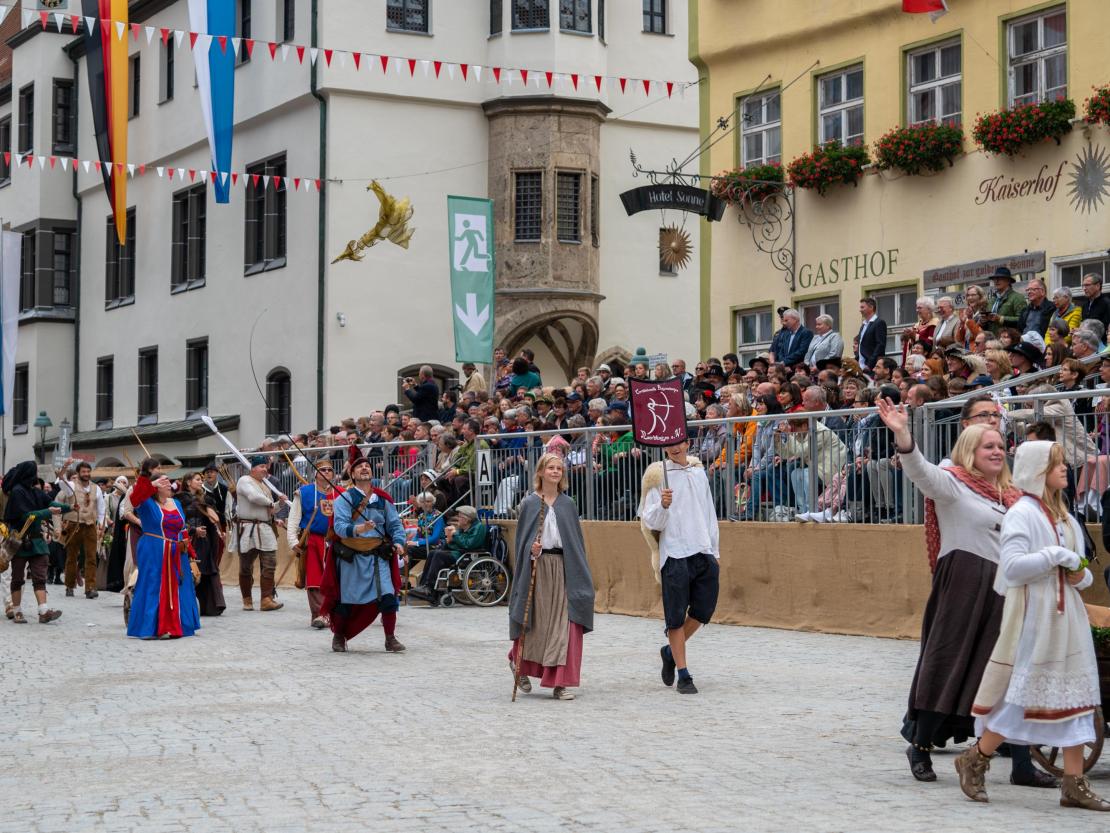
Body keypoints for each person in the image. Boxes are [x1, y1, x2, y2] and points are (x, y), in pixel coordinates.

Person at [877, 396, 1056, 788]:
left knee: (1009, 672)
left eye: (999, 446)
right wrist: (903, 434)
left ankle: (1022, 766)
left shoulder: (1014, 497)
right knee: (949, 663)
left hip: (1007, 590)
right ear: (969, 451)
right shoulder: (953, 484)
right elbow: (919, 471)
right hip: (964, 583)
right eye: (987, 446)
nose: (997, 451)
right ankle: (921, 746)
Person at [956, 441, 1108, 811]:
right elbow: (1011, 568)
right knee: (1024, 698)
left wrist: (1078, 575)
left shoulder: (1065, 516)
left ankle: (1074, 783)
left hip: (1067, 615)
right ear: (1038, 470)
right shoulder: (1022, 513)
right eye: (1057, 465)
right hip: (1036, 615)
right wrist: (1055, 556)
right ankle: (976, 758)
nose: (1065, 470)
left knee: (1078, 698)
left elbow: (1081, 573)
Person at [508, 453, 595, 701]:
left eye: (559, 468)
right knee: (536, 622)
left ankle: (560, 683)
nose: (555, 472)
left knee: (565, 625)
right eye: (551, 468)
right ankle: (519, 661)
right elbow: (522, 542)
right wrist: (531, 551)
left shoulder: (568, 504)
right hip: (539, 567)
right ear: (540, 472)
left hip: (566, 567)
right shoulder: (529, 503)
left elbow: (575, 542)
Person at [639, 439, 720, 695]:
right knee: (674, 616)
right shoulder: (656, 475)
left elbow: (709, 512)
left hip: (702, 550)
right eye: (670, 444)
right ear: (664, 447)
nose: (675, 448)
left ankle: (669, 652)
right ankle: (684, 675)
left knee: (703, 611)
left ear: (687, 443)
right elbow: (650, 519)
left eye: (680, 442)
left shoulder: (698, 473)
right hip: (674, 553)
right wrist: (662, 505)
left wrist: (714, 550)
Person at [320, 455, 407, 653]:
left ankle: (390, 638)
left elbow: (394, 525)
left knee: (388, 595)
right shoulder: (344, 498)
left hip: (378, 556)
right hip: (352, 556)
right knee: (347, 600)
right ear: (352, 474)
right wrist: (360, 528)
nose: (365, 468)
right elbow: (340, 527)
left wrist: (399, 542)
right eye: (360, 467)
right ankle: (339, 636)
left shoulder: (383, 498)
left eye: (367, 466)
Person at [126, 472, 202, 640]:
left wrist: (189, 550)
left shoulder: (176, 503)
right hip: (154, 550)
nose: (169, 484)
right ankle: (151, 627)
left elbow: (181, 528)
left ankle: (178, 626)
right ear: (156, 487)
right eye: (164, 481)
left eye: (169, 481)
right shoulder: (146, 503)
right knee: (154, 585)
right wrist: (152, 484)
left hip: (176, 551)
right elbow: (134, 497)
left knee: (180, 585)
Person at [3, 461, 65, 624]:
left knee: (40, 576)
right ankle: (17, 611)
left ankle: (43, 611)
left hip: (37, 542)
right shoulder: (17, 492)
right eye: (34, 472)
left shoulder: (35, 492)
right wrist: (48, 511)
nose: (36, 476)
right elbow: (26, 516)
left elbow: (51, 504)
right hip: (20, 542)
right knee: (17, 578)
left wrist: (70, 507)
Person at [286, 461, 343, 628]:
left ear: (333, 474)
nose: (326, 472)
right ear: (316, 473)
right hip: (313, 540)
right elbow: (294, 518)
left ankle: (334, 614)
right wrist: (293, 541)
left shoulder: (341, 493)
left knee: (336, 579)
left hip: (336, 541)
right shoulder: (304, 493)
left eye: (329, 470)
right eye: (322, 470)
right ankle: (319, 614)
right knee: (315, 579)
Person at [235, 456, 284, 612]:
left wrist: (280, 504)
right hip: (248, 528)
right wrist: (271, 503)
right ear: (253, 468)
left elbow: (270, 509)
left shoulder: (265, 486)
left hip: (265, 527)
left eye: (266, 466)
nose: (265, 469)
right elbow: (254, 497)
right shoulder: (244, 480)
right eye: (262, 466)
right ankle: (247, 600)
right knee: (245, 567)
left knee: (270, 564)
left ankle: (266, 600)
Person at [411, 505, 486, 605]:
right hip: (458, 552)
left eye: (460, 516)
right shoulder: (463, 527)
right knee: (433, 553)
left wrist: (455, 534)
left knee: (438, 555)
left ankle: (429, 588)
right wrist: (449, 541)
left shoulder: (479, 528)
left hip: (466, 556)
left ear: (467, 519)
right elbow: (456, 543)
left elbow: (468, 544)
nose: (458, 518)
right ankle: (425, 586)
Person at [57, 461, 106, 599]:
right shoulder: (72, 485)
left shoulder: (96, 488)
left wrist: (101, 524)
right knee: (71, 556)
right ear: (78, 473)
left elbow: (101, 508)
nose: (86, 474)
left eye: (88, 471)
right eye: (83, 472)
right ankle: (69, 586)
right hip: (74, 524)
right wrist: (65, 467)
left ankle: (90, 588)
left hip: (90, 524)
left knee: (91, 557)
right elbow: (61, 480)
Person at [180, 473, 226, 617]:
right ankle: (188, 606)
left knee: (206, 570)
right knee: (190, 571)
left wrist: (217, 528)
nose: (201, 482)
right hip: (186, 540)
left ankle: (210, 606)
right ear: (188, 482)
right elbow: (178, 520)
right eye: (198, 479)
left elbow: (214, 518)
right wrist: (193, 530)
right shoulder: (178, 499)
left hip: (203, 540)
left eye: (201, 480)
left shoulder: (206, 498)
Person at [984, 267, 1027, 335]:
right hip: (993, 341)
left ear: (1008, 281)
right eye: (995, 279)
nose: (996, 281)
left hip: (1009, 340)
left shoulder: (1018, 298)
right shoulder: (992, 300)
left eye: (1000, 278)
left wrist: (1000, 318)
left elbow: (1022, 320)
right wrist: (984, 320)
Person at [901, 297, 939, 366]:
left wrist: (915, 336)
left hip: (925, 362)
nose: (917, 310)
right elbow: (910, 344)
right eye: (917, 308)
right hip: (912, 361)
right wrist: (907, 337)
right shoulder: (916, 325)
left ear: (929, 309)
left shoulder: (934, 324)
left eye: (920, 308)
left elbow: (930, 344)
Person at [856, 297, 888, 372]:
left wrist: (870, 365)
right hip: (861, 367)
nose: (860, 310)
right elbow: (861, 345)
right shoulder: (863, 325)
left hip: (872, 367)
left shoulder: (879, 323)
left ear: (871, 307)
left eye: (862, 307)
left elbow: (880, 345)